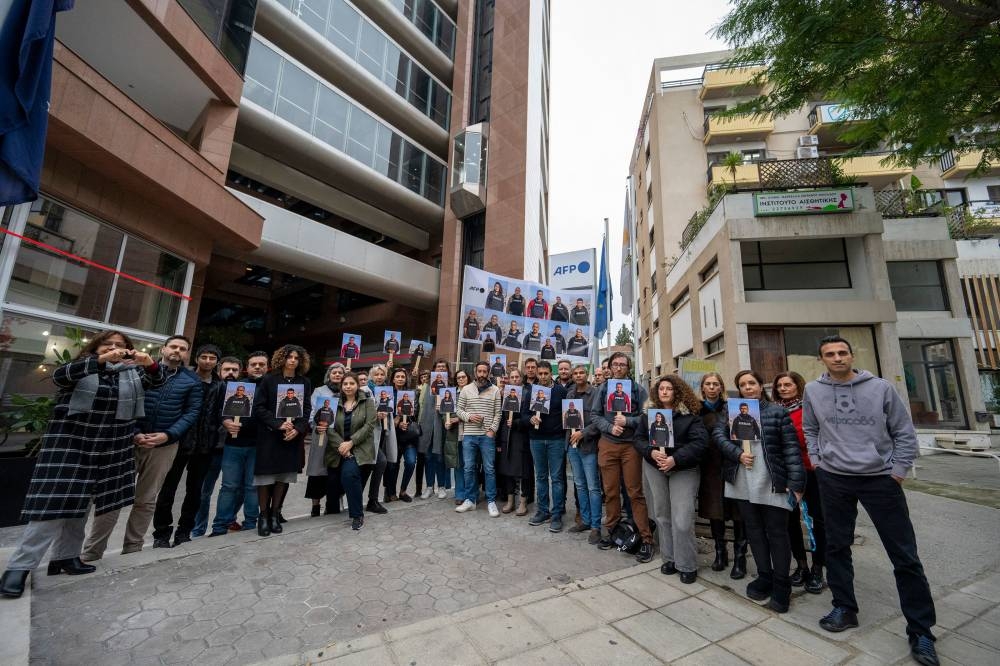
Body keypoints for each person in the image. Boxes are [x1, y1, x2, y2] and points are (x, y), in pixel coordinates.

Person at [803, 336, 938, 666]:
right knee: (836, 546)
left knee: (904, 555)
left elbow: (904, 432)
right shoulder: (813, 391)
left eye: (842, 352)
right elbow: (809, 429)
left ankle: (921, 630)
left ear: (852, 355)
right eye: (830, 354)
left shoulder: (879, 388)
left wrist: (898, 470)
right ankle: (845, 607)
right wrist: (819, 462)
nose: (837, 358)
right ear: (821, 359)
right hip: (834, 478)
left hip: (880, 479)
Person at [0, 332, 163, 598]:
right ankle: (19, 567)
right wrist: (101, 361)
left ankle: (66, 557)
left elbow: (157, 381)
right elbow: (59, 377)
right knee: (51, 508)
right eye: (108, 344)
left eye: (120, 346)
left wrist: (150, 363)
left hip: (108, 448)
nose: (114, 349)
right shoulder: (80, 367)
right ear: (96, 347)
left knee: (81, 506)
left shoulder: (130, 374)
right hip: (71, 444)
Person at [82, 335, 201, 561]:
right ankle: (93, 551)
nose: (177, 351)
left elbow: (191, 412)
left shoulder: (191, 380)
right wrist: (134, 431)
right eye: (173, 346)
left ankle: (133, 548)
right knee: (112, 497)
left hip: (164, 446)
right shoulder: (135, 369)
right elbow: (123, 400)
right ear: (163, 348)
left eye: (182, 348)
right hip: (127, 441)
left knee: (146, 500)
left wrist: (168, 435)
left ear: (187, 354)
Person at [713, 370, 804, 614]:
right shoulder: (731, 411)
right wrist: (737, 454)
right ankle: (765, 575)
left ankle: (782, 584)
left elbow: (791, 449)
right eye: (742, 384)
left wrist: (796, 485)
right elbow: (719, 436)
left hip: (771, 480)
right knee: (754, 531)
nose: (747, 387)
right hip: (742, 480)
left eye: (751, 383)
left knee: (777, 533)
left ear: (759, 385)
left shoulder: (777, 412)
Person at [635, 375, 708, 584]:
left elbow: (700, 443)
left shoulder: (690, 415)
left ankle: (687, 564)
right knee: (662, 515)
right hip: (655, 467)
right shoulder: (648, 414)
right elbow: (638, 439)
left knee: (682, 519)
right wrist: (651, 452)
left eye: (669, 388)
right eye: (661, 388)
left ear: (677, 391)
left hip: (683, 468)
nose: (664, 392)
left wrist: (675, 459)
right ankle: (669, 558)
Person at [592, 352, 654, 563]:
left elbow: (648, 415)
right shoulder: (603, 389)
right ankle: (612, 531)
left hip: (630, 447)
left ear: (628, 368)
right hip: (608, 445)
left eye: (623, 365)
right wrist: (609, 427)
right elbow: (594, 415)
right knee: (610, 492)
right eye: (615, 364)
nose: (618, 368)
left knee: (634, 492)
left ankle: (646, 539)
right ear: (610, 367)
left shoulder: (637, 389)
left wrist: (628, 422)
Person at [773, 371, 826, 594]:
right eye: (780, 386)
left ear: (798, 386)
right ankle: (801, 565)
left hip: (811, 470)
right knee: (789, 521)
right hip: (786, 473)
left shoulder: (809, 409)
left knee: (817, 520)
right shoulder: (774, 411)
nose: (784, 388)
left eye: (788, 384)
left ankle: (817, 568)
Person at [252, 345, 312, 537]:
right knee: (266, 478)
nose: (293, 360)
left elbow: (307, 410)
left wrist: (298, 429)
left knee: (283, 477)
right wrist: (277, 424)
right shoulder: (269, 380)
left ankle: (275, 514)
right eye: (289, 357)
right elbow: (259, 407)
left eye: (296, 357)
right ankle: (263, 516)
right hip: (270, 437)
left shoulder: (304, 382)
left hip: (291, 438)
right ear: (282, 359)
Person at [210, 352, 269, 536]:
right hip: (233, 444)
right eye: (254, 364)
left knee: (252, 487)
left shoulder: (272, 386)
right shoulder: (236, 386)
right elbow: (220, 410)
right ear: (247, 367)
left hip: (259, 445)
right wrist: (225, 421)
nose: (257, 367)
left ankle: (250, 524)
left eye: (261, 364)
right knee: (229, 486)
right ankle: (220, 526)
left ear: (267, 367)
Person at [698, 372, 747, 579]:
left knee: (738, 512)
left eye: (715, 384)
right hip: (709, 467)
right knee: (715, 510)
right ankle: (720, 551)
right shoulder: (696, 411)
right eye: (708, 384)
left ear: (721, 387)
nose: (711, 387)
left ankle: (740, 556)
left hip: (733, 463)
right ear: (702, 388)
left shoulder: (731, 408)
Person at [191, 356, 243, 537]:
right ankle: (198, 528)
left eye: (235, 370)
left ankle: (228, 519)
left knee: (236, 489)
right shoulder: (212, 390)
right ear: (219, 371)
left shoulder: (245, 393)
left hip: (235, 448)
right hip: (212, 449)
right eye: (227, 369)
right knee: (204, 492)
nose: (231, 373)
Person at [326, 372, 376, 530]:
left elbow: (369, 426)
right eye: (345, 384)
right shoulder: (333, 402)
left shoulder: (367, 402)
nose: (348, 386)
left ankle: (357, 514)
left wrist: (351, 442)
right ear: (341, 386)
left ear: (357, 385)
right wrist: (343, 445)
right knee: (337, 481)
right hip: (338, 449)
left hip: (359, 448)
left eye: (351, 383)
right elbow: (327, 426)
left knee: (349, 475)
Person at [455, 361, 502, 515]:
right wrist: (469, 417)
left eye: (484, 371)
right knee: (469, 468)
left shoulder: (495, 390)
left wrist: (492, 430)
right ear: (475, 372)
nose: (482, 374)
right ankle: (470, 500)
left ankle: (491, 501)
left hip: (487, 436)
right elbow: (459, 410)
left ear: (488, 373)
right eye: (479, 371)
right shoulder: (466, 389)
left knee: (489, 468)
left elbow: (498, 413)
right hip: (469, 435)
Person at [566, 364, 601, 543]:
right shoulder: (570, 394)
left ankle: (596, 526)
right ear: (572, 376)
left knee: (593, 487)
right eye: (575, 373)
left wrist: (583, 432)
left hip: (589, 447)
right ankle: (585, 521)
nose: (578, 375)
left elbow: (599, 421)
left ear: (586, 375)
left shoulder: (595, 394)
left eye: (581, 373)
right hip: (573, 447)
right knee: (579, 485)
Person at [306, 364, 345, 516]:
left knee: (336, 472)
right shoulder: (319, 391)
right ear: (329, 375)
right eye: (334, 372)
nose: (337, 375)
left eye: (340, 373)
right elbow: (311, 412)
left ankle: (334, 502)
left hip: (339, 438)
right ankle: (315, 506)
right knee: (317, 472)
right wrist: (315, 425)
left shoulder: (346, 390)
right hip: (321, 436)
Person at [418, 359, 452, 499]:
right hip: (427, 425)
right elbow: (421, 405)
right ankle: (429, 486)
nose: (441, 369)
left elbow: (452, 407)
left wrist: (443, 409)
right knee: (428, 456)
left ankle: (442, 486)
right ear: (434, 370)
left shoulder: (450, 386)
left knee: (440, 457)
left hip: (442, 426)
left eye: (443, 367)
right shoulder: (427, 386)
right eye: (438, 367)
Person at [445, 369, 471, 505]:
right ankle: (460, 494)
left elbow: (475, 412)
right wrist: (447, 420)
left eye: (463, 377)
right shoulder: (451, 393)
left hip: (470, 432)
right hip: (455, 435)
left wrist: (458, 419)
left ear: (468, 378)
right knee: (459, 465)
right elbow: (446, 411)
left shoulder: (473, 391)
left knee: (470, 465)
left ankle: (471, 493)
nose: (461, 379)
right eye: (458, 377)